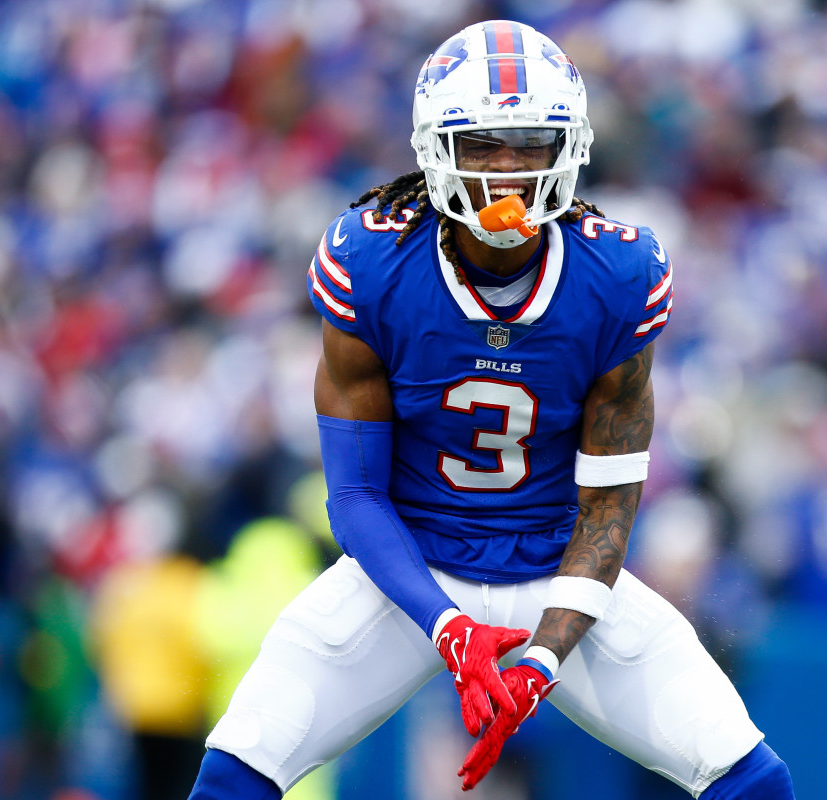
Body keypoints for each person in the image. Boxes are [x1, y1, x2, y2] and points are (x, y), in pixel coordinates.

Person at [188, 19, 794, 799]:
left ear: (568, 148)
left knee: (751, 779)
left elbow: (607, 508)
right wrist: (448, 627)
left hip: (556, 566)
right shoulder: (372, 264)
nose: (507, 170)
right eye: (481, 145)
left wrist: (542, 657)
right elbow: (357, 496)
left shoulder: (617, 273)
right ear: (435, 150)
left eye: (529, 143)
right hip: (406, 572)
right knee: (235, 772)